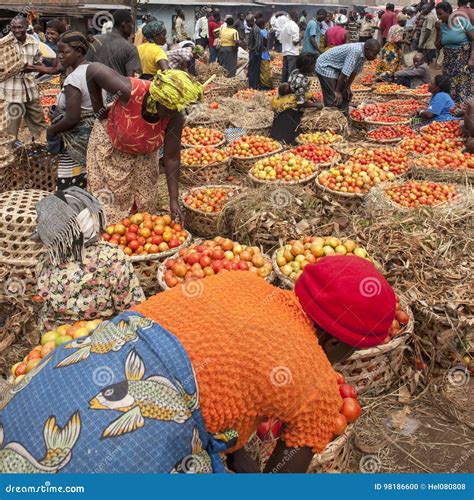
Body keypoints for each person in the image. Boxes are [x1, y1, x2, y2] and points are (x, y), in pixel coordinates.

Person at [0, 256, 397, 473]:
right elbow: (284, 472)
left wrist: (233, 443)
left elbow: (227, 368)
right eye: (350, 350)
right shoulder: (315, 381)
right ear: (334, 340)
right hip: (136, 432)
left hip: (75, 371)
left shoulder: (242, 283)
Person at [85, 65, 202, 223]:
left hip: (144, 157)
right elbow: (93, 70)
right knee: (109, 208)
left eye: (176, 111)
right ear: (157, 98)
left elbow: (172, 157)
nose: (171, 115)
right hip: (111, 150)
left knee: (144, 209)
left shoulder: (174, 115)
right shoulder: (130, 90)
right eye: (168, 110)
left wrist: (173, 199)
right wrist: (98, 110)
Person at [31, 187, 144, 333]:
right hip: (100, 339)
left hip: (56, 341)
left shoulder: (46, 261)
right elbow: (132, 309)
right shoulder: (112, 257)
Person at [46, 32, 95, 190]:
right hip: (91, 139)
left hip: (77, 142)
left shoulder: (74, 78)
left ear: (79, 52)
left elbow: (72, 118)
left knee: (70, 185)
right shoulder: (91, 69)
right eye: (58, 52)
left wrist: (51, 130)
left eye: (65, 52)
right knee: (86, 179)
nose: (60, 56)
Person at [0, 16, 46, 141]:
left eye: (20, 27)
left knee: (40, 128)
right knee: (10, 133)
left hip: (30, 92)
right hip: (10, 95)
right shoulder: (4, 44)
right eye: (13, 27)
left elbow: (38, 63)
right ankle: (8, 158)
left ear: (27, 27)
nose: (16, 30)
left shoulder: (34, 42)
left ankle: (43, 153)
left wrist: (32, 72)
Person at [316, 39, 381, 113]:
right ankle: (330, 116)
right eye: (374, 54)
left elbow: (354, 71)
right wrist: (337, 91)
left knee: (345, 94)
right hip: (325, 66)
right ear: (367, 49)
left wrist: (347, 87)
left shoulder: (364, 52)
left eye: (377, 54)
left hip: (336, 68)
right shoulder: (355, 51)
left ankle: (343, 116)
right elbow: (345, 73)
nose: (375, 57)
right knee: (333, 96)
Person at [271, 52, 322, 144]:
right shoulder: (304, 80)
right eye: (313, 65)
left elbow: (295, 90)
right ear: (308, 66)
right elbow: (301, 102)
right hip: (291, 111)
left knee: (277, 137)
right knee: (289, 139)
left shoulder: (295, 71)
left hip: (283, 106)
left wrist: (309, 97)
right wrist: (316, 105)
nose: (314, 67)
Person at [435, 1, 474, 104]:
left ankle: (464, 111)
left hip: (463, 62)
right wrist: (437, 31)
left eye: (440, 13)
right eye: (437, 14)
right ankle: (452, 108)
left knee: (462, 86)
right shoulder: (441, 26)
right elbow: (438, 46)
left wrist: (472, 58)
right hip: (448, 62)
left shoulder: (461, 21)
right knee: (449, 85)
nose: (438, 17)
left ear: (448, 11)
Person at [86, 10, 142, 77]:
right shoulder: (130, 48)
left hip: (94, 86)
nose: (133, 27)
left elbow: (86, 67)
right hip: (119, 87)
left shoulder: (95, 41)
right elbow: (133, 79)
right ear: (123, 25)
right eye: (131, 24)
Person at [375, 13, 408, 82]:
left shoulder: (393, 26)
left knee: (385, 63)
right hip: (393, 49)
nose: (406, 22)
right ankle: (385, 78)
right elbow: (397, 41)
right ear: (401, 21)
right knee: (393, 64)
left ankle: (380, 75)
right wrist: (405, 41)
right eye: (405, 21)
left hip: (387, 46)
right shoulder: (401, 29)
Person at [280, 11, 300, 83]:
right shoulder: (294, 25)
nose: (298, 19)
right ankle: (289, 88)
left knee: (285, 73)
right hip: (292, 52)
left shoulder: (285, 25)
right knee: (292, 73)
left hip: (285, 51)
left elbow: (280, 40)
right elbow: (295, 42)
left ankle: (283, 88)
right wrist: (302, 37)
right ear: (295, 17)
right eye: (297, 17)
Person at [247, 15, 262, 89]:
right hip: (253, 52)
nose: (247, 24)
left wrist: (255, 51)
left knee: (254, 70)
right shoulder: (253, 28)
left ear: (252, 21)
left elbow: (258, 41)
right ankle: (252, 85)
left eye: (248, 22)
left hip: (255, 53)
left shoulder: (256, 29)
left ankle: (254, 86)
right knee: (252, 69)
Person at [258, 18, 271, 89]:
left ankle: (263, 86)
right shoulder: (263, 31)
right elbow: (267, 39)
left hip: (262, 53)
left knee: (262, 71)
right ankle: (265, 86)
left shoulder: (260, 31)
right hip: (264, 54)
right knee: (265, 71)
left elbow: (266, 39)